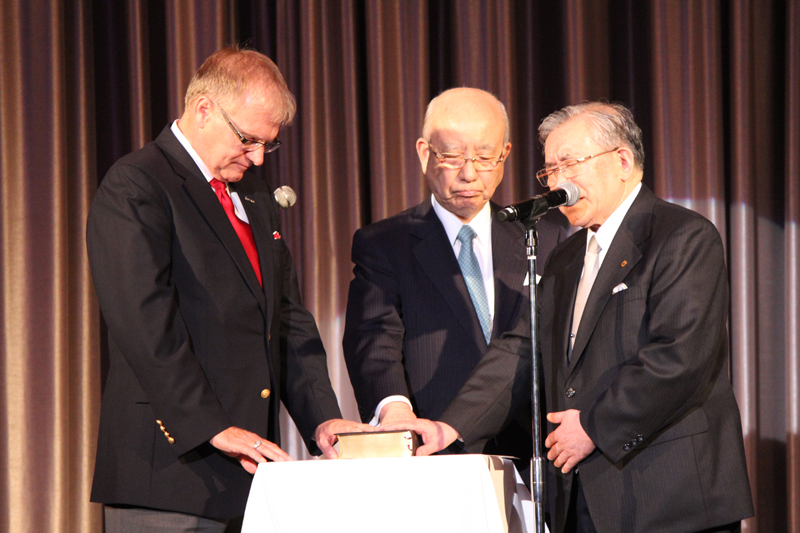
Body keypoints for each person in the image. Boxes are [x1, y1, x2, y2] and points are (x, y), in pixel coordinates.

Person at [87, 47, 372, 532]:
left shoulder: (253, 194)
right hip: (168, 475)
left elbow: (285, 321)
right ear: (203, 110)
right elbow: (145, 324)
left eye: (268, 145)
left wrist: (324, 420)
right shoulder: (137, 184)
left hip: (249, 481)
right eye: (248, 139)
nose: (258, 156)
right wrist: (213, 427)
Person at [536, 101, 754, 532]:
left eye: (570, 164)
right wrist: (450, 426)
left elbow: (680, 356)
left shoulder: (682, 235)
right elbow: (528, 353)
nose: (558, 183)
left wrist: (594, 427)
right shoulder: (563, 258)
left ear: (622, 161)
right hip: (586, 500)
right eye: (549, 171)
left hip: (671, 499)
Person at [343, 87, 564, 463]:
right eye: (451, 157)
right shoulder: (384, 244)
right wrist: (394, 410)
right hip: (438, 451)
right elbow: (374, 340)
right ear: (424, 152)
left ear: (505, 155)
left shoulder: (543, 236)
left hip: (535, 452)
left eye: (484, 157)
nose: (468, 174)